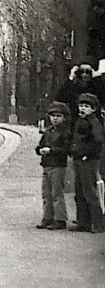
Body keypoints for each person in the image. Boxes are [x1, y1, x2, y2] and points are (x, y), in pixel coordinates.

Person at [68, 92, 105, 233]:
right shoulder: (80, 121)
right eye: (81, 105)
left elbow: (98, 141)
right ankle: (83, 222)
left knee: (89, 191)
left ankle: (98, 223)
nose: (82, 108)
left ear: (93, 109)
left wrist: (86, 154)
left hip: (88, 160)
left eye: (86, 106)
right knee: (79, 190)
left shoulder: (94, 122)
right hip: (79, 159)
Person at [35, 101, 71, 230]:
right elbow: (40, 145)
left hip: (58, 166)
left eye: (58, 116)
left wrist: (51, 150)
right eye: (53, 115)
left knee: (57, 193)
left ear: (64, 117)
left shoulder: (65, 133)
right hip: (46, 165)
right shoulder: (48, 131)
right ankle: (48, 217)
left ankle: (60, 219)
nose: (55, 118)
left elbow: (66, 150)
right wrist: (39, 150)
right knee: (46, 193)